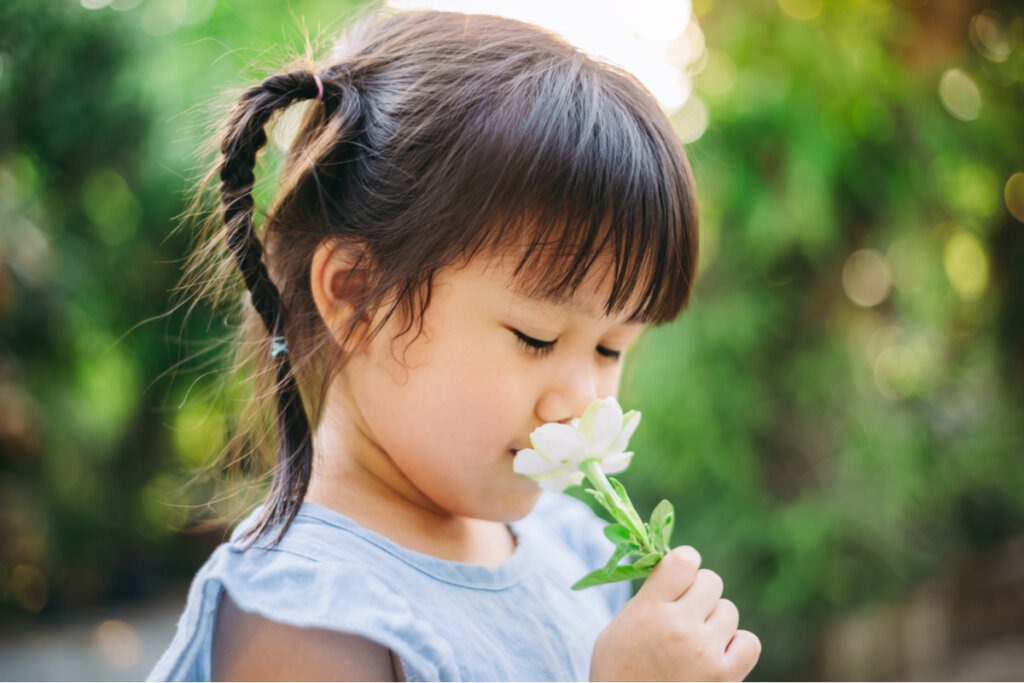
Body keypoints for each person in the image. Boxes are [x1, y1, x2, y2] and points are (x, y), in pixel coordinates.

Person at [149, 8, 760, 681]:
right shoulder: (304, 611)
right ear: (356, 295)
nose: (581, 400)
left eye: (611, 349)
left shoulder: (574, 545)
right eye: (536, 338)